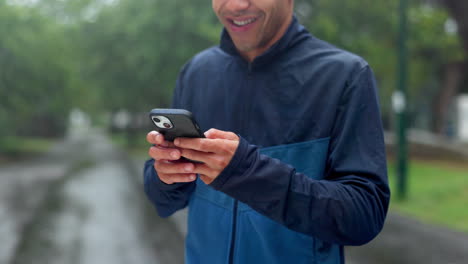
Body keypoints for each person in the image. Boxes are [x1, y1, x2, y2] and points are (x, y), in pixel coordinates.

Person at [144, 0, 390, 263]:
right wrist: (165, 175)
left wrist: (248, 173)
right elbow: (163, 202)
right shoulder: (195, 72)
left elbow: (364, 216)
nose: (237, 5)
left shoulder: (345, 75)